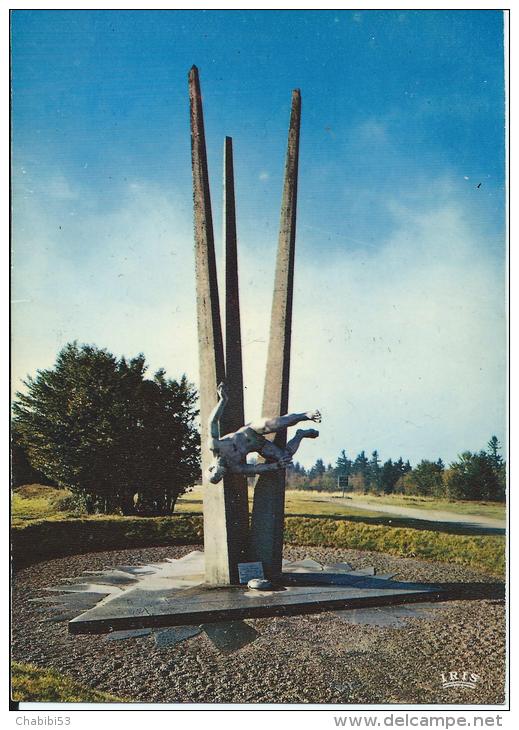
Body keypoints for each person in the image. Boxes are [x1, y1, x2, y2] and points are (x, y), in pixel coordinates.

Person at [206, 382, 321, 484]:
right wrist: (275, 466)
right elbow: (256, 469)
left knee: (272, 424)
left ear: (212, 467)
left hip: (250, 430)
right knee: (285, 457)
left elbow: (213, 421)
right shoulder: (234, 467)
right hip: (260, 445)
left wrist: (223, 400)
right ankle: (300, 435)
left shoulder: (215, 446)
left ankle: (305, 415)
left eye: (218, 472)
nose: (222, 472)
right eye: (221, 475)